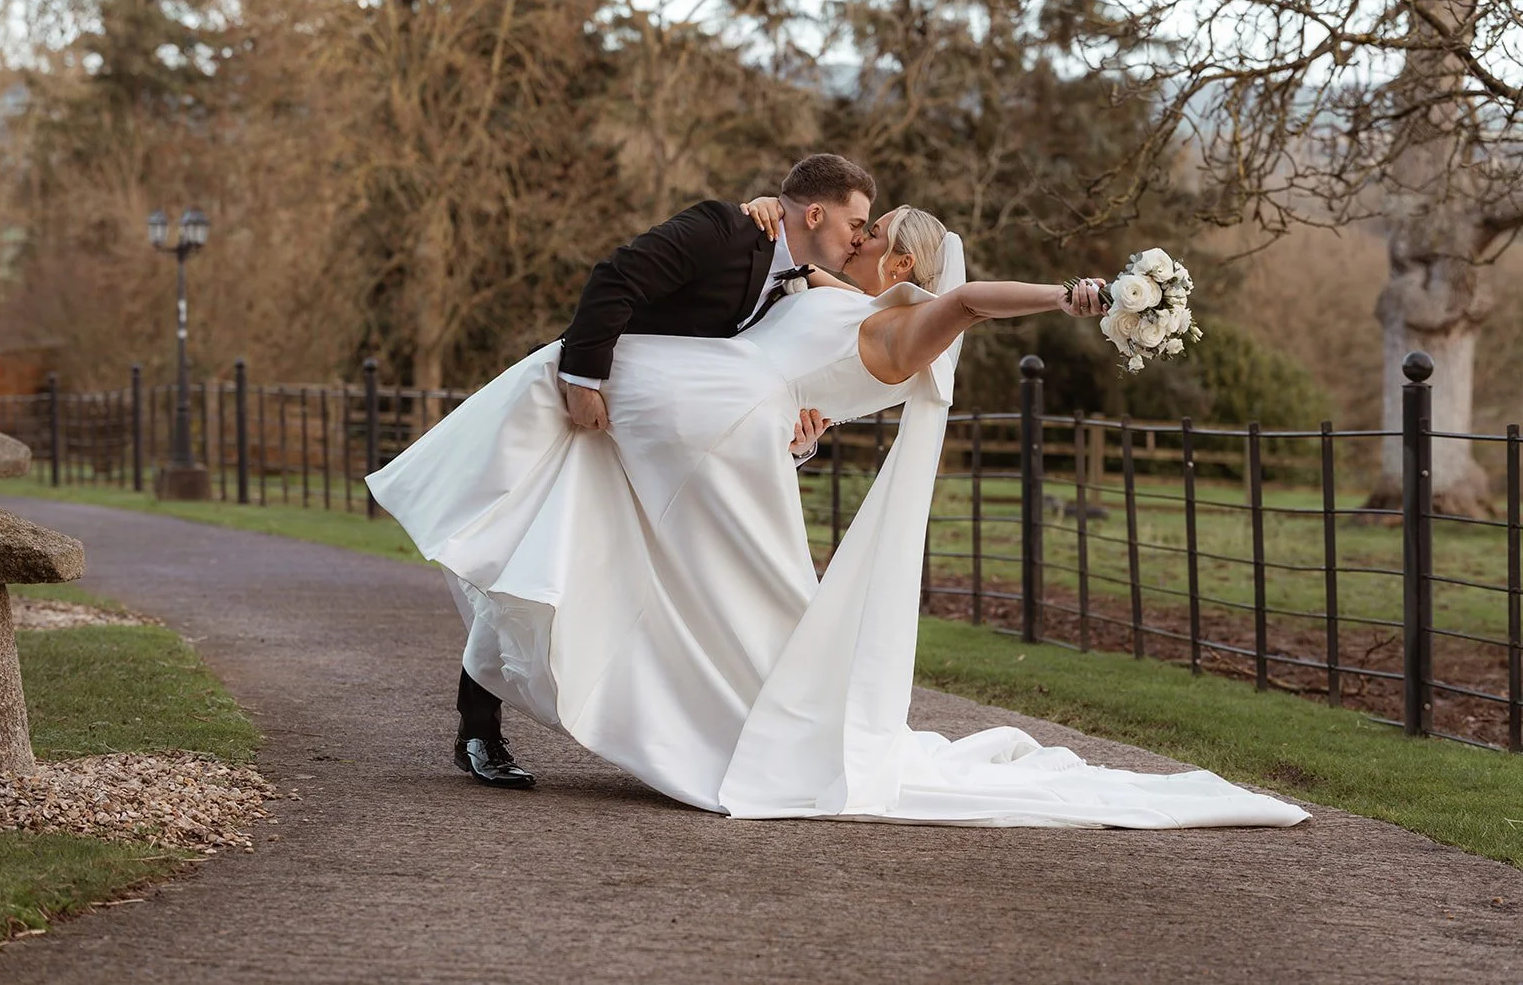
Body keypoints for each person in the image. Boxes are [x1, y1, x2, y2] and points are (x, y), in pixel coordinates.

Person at [366, 198, 1310, 829]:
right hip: (700, 412)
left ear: (900, 257)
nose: (853, 245)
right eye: (853, 232)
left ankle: (707, 732)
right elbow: (782, 266)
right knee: (579, 511)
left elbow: (972, 300)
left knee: (738, 614)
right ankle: (488, 713)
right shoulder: (819, 285)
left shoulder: (902, 324)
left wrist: (1074, 296)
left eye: (871, 237)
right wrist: (761, 212)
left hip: (724, 439)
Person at [441, 153, 879, 788]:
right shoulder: (721, 230)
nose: (858, 237)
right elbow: (615, 278)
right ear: (815, 212)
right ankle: (477, 728)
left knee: (641, 583)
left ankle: (680, 735)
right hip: (598, 420)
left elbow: (764, 363)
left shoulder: (795, 277)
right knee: (544, 563)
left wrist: (797, 431)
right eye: (855, 222)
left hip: (668, 455)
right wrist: (585, 381)